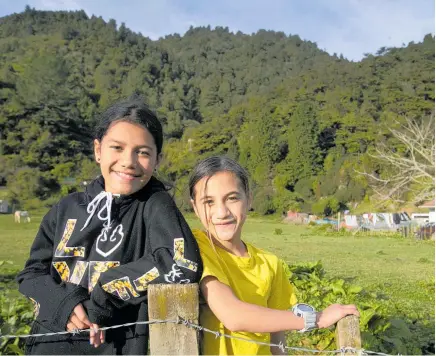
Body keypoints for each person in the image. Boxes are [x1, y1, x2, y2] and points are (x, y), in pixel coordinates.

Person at [17, 96, 203, 355]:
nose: (129, 161)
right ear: (97, 150)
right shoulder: (66, 208)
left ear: (158, 159)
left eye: (143, 152)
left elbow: (182, 263)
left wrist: (104, 294)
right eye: (117, 147)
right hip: (48, 345)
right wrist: (63, 303)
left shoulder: (154, 206)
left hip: (113, 348)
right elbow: (32, 273)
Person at [188, 156, 359, 355]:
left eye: (232, 198)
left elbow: (277, 340)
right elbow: (233, 316)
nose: (221, 212)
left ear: (249, 199)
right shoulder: (197, 248)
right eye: (209, 202)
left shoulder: (270, 263)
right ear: (195, 208)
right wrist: (316, 318)